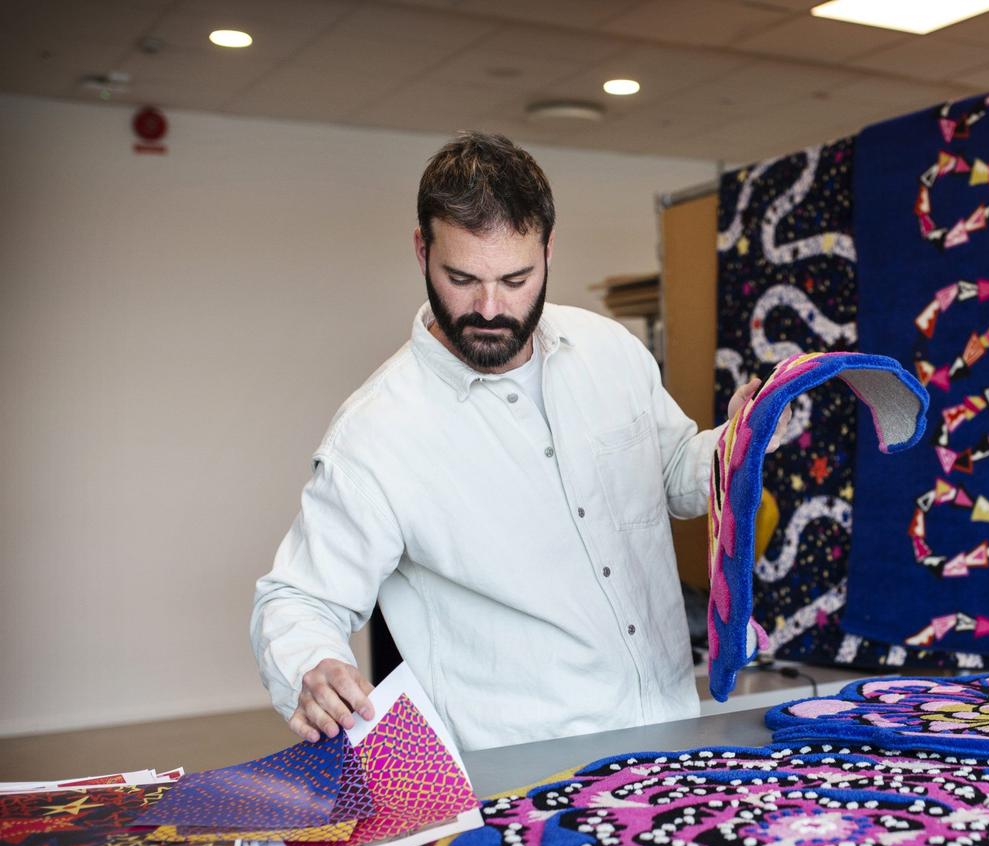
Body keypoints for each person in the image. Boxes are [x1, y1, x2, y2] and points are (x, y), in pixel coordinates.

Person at [250, 131, 782, 752]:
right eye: (461, 277)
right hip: (522, 765)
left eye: (515, 277)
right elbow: (296, 598)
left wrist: (734, 445)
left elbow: (674, 475)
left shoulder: (609, 351)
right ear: (422, 250)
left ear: (549, 251)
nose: (489, 307)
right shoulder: (377, 434)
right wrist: (312, 666)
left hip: (668, 721)